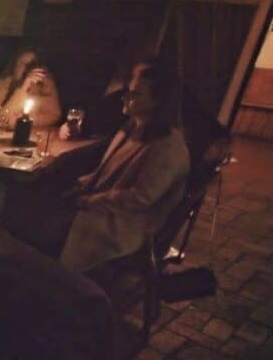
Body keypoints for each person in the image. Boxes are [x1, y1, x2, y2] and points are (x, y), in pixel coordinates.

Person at [59, 64, 190, 273]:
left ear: (157, 101)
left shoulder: (167, 146)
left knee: (55, 226)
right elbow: (107, 172)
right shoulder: (133, 126)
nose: (125, 96)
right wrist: (81, 184)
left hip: (126, 224)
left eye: (135, 93)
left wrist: (90, 201)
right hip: (105, 207)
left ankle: (63, 281)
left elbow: (141, 197)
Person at [59, 58, 152, 142]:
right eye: (133, 75)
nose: (133, 81)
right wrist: (73, 129)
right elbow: (96, 116)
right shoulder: (120, 96)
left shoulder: (153, 137)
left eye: (143, 77)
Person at [0, 48, 62, 128]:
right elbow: (0, 118)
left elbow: (54, 115)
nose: (27, 68)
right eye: (23, 64)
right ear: (14, 65)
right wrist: (24, 87)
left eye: (31, 64)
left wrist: (24, 120)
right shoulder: (0, 84)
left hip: (35, 135)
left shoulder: (45, 84)